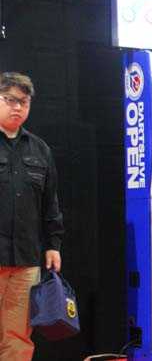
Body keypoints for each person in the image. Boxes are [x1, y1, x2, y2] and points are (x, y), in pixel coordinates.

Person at [0, 72, 64, 360]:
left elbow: (50, 202)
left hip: (26, 260)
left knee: (18, 336)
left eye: (23, 102)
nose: (17, 107)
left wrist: (53, 244)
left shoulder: (40, 149)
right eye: (10, 99)